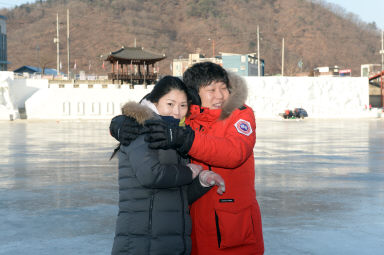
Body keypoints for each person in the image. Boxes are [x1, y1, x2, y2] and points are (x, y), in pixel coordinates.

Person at [111, 63, 264, 254]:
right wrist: (124, 121)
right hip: (189, 230)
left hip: (232, 230)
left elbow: (235, 152)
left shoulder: (239, 114)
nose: (220, 95)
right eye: (211, 90)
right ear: (194, 94)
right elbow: (158, 102)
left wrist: (186, 139)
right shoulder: (185, 116)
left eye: (223, 88)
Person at [110, 76, 225, 255]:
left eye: (182, 105)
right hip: (141, 242)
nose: (176, 112)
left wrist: (202, 181)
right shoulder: (138, 129)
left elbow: (177, 195)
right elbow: (150, 175)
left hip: (171, 242)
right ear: (155, 102)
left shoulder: (175, 135)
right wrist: (187, 172)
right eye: (170, 104)